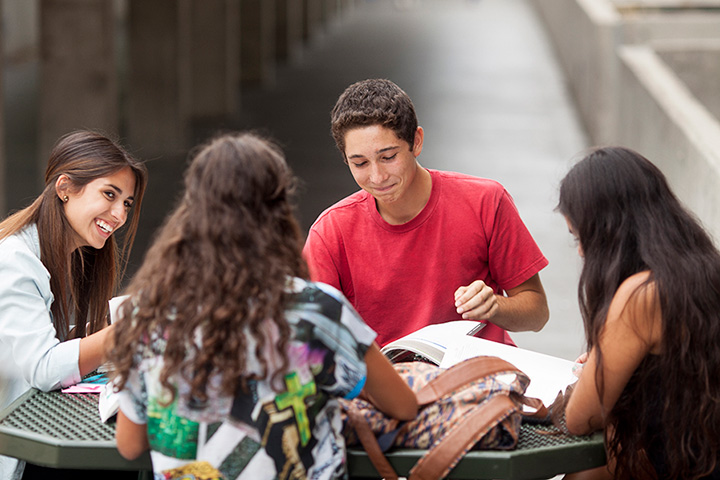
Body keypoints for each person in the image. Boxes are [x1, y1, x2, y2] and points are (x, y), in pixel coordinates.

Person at [108, 132, 418, 480]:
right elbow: (403, 406)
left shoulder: (148, 314)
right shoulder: (316, 312)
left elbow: (130, 446)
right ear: (278, 212)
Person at [303, 78, 549, 347]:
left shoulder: (485, 202)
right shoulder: (330, 232)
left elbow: (537, 314)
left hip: (478, 376)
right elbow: (311, 336)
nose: (377, 176)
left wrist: (495, 307)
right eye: (360, 163)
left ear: (416, 142)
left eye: (388, 157)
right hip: (387, 383)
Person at [558, 147, 720, 479]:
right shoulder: (706, 270)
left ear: (606, 231)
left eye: (581, 237)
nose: (580, 251)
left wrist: (589, 375)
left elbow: (580, 419)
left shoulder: (642, 295)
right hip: (702, 457)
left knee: (585, 469)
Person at [0, 130, 147, 480]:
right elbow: (44, 366)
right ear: (64, 187)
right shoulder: (14, 260)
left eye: (126, 202)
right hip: (17, 451)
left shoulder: (71, 256)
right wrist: (128, 330)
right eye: (109, 195)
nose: (119, 215)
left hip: (38, 428)